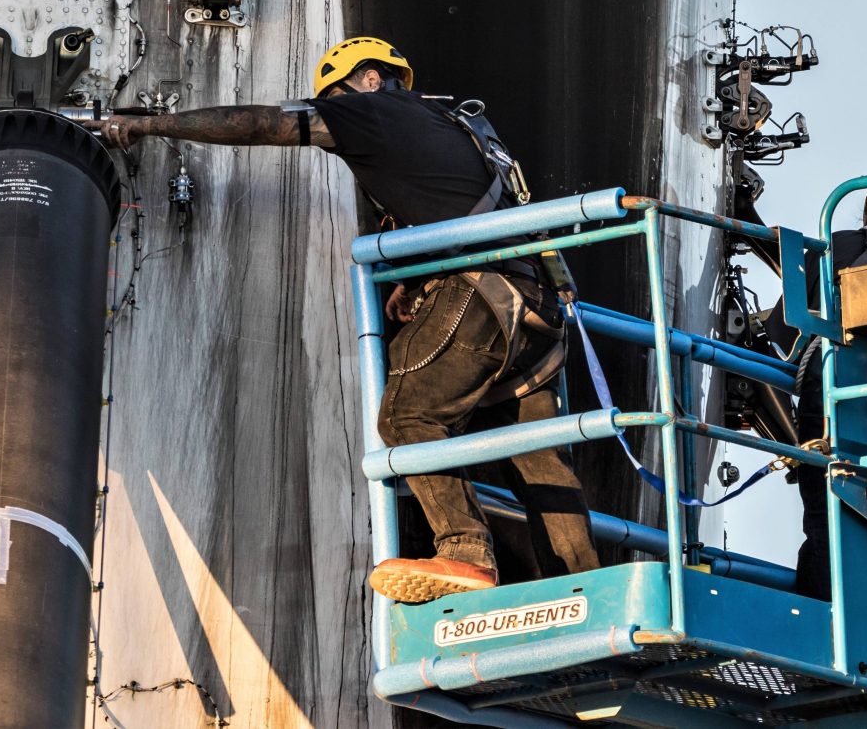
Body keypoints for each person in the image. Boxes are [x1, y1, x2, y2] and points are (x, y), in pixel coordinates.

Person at [94, 37, 600, 603]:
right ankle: (582, 589)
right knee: (538, 458)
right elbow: (457, 206)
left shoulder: (373, 109)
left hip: (484, 296)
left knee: (408, 416)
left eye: (333, 97)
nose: (331, 113)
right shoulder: (453, 124)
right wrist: (414, 283)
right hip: (538, 309)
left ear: (369, 79)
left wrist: (149, 127)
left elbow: (260, 124)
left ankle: (464, 551)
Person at [742, 162, 867, 600]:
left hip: (836, 401)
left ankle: (822, 617)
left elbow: (787, 332)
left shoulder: (842, 247)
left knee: (828, 522)